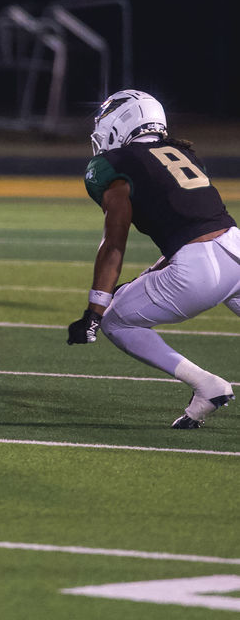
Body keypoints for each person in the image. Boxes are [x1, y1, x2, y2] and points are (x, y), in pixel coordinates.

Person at [67, 88, 238, 429]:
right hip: (235, 248)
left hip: (199, 268)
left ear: (121, 121)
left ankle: (206, 385)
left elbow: (114, 243)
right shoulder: (182, 153)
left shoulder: (115, 165)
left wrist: (94, 311)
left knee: (116, 321)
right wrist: (147, 275)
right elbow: (193, 229)